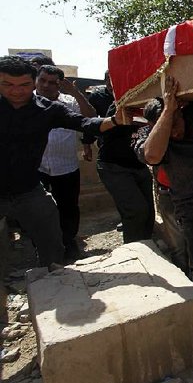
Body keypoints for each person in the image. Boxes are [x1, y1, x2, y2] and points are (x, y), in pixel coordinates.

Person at [0, 56, 123, 267]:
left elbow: (84, 122)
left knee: (52, 239)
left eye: (24, 85)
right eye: (8, 84)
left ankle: (54, 279)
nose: (16, 91)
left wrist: (115, 120)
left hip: (29, 190)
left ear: (32, 82)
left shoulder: (48, 109)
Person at [134, 78, 193, 332]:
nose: (175, 133)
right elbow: (152, 155)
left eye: (177, 124)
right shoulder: (145, 135)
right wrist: (169, 113)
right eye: (167, 127)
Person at [84, 70, 154, 243]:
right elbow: (104, 132)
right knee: (136, 211)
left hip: (138, 165)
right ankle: (136, 250)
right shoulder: (119, 105)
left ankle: (146, 248)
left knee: (148, 213)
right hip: (114, 166)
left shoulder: (149, 104)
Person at [35, 65, 97, 260]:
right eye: (42, 80)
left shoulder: (68, 102)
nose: (46, 86)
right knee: (40, 210)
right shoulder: (26, 102)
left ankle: (69, 243)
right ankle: (45, 248)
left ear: (59, 85)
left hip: (66, 167)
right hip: (37, 169)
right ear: (36, 80)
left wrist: (76, 92)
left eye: (52, 83)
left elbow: (90, 117)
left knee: (68, 208)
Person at [138, 98, 190, 275]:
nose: (173, 129)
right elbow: (150, 155)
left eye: (176, 119)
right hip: (168, 196)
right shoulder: (144, 135)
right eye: (166, 122)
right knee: (178, 248)